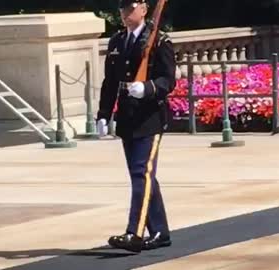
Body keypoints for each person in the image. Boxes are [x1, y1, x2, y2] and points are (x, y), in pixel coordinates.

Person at [95, 0, 176, 253]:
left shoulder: (159, 42)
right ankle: (160, 232)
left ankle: (135, 233)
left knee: (142, 173)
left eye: (130, 8)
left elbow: (168, 80)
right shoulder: (117, 42)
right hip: (128, 118)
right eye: (122, 9)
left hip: (150, 117)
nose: (125, 13)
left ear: (143, 9)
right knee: (142, 175)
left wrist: (148, 88)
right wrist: (103, 114)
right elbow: (110, 82)